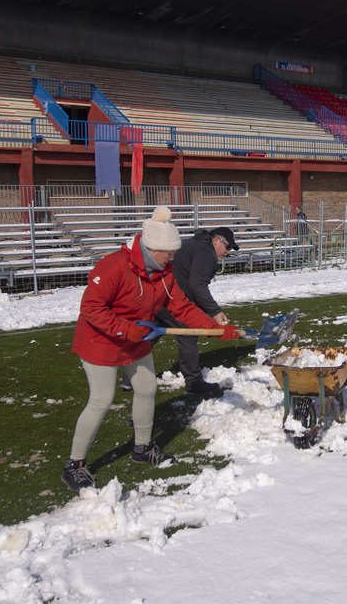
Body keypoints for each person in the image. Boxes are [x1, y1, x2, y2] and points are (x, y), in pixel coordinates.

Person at [62, 206, 241, 492]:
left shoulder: (164, 272)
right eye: (170, 253)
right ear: (154, 248)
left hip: (137, 340)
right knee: (102, 400)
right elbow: (91, 308)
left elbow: (181, 306)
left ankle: (142, 448)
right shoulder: (114, 266)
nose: (173, 258)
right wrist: (125, 329)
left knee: (146, 388)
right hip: (102, 341)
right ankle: (75, 465)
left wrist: (214, 328)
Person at [143, 226, 240, 394]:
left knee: (152, 334)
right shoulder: (206, 253)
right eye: (228, 247)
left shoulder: (196, 245)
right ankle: (194, 382)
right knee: (188, 334)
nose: (228, 252)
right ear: (216, 240)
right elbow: (197, 285)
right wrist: (215, 312)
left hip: (160, 294)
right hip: (173, 299)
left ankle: (132, 376)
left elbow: (191, 282)